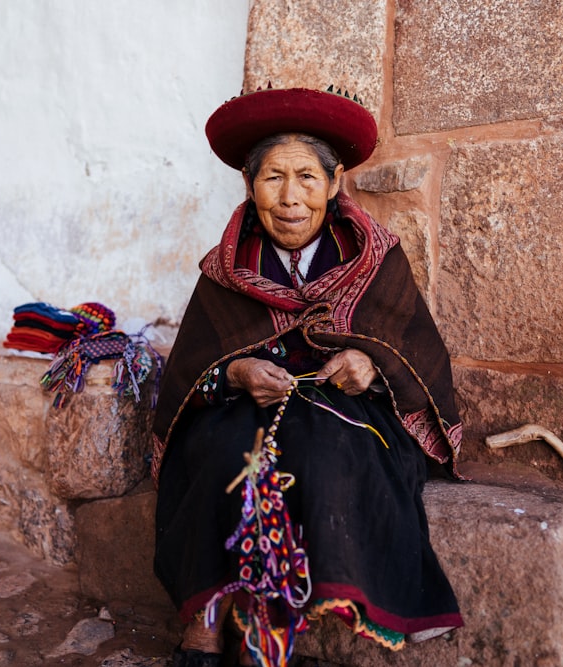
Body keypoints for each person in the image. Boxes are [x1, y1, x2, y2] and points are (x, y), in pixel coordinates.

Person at [152, 86, 464, 667]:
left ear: (335, 182)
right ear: (250, 186)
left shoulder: (375, 256)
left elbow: (417, 350)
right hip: (243, 404)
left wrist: (370, 366)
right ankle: (207, 618)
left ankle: (263, 627)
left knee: (323, 455)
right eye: (273, 178)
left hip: (343, 407)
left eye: (306, 178)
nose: (290, 198)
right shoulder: (227, 268)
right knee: (218, 452)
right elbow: (193, 370)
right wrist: (240, 370)